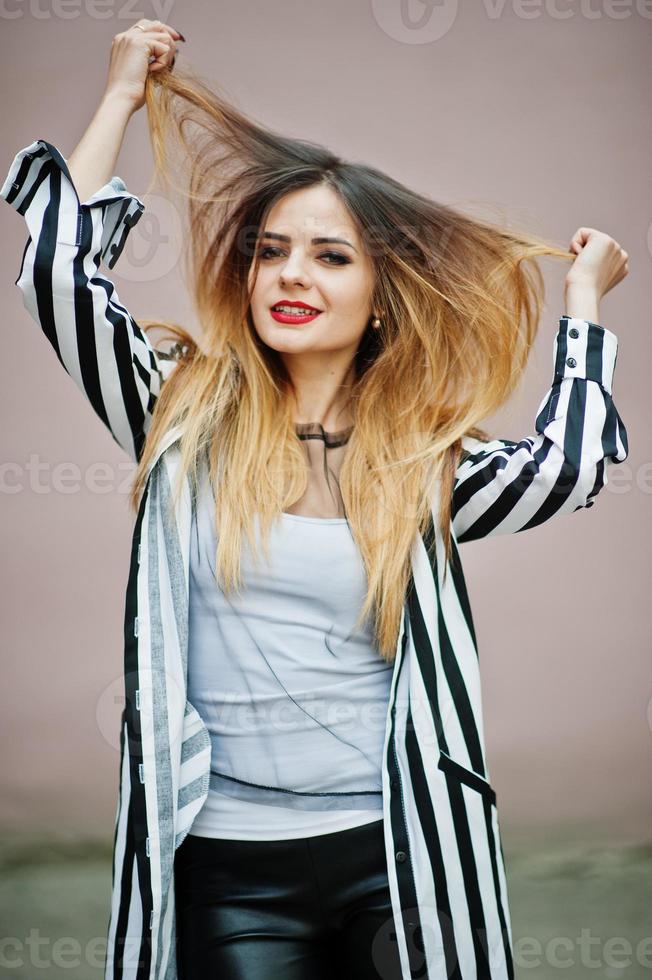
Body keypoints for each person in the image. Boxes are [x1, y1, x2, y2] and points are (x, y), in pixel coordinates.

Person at [0, 18, 630, 980]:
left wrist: (585, 304)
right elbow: (56, 273)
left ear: (380, 293)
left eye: (331, 256)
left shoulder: (423, 464)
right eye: (271, 250)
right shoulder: (180, 415)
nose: (292, 273)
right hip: (229, 867)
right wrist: (123, 93)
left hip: (400, 855)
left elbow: (570, 468)